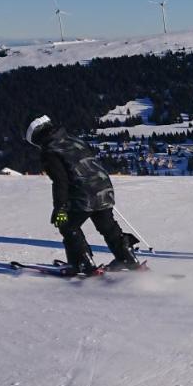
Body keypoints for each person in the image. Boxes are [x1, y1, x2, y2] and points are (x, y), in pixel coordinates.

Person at [24, 115, 141, 275]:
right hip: (104, 186)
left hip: (85, 192)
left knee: (67, 225)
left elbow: (60, 181)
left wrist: (60, 208)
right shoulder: (74, 140)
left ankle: (82, 263)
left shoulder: (50, 151)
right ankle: (127, 258)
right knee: (107, 226)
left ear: (38, 137)